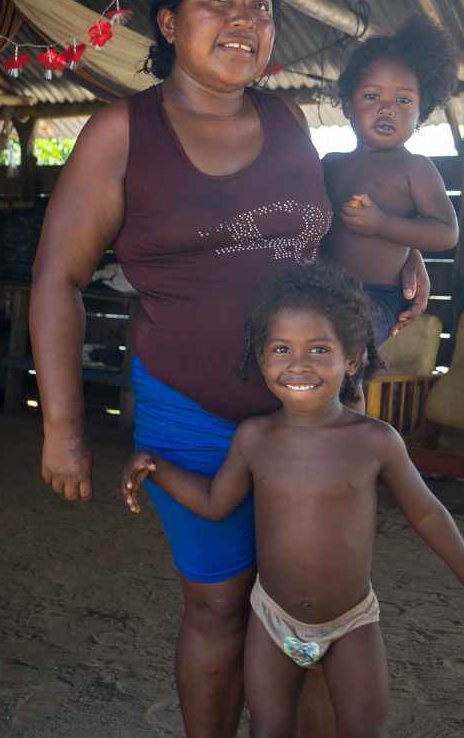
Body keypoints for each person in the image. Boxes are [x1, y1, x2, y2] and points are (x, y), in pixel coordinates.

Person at [29, 0, 430, 735]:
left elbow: (328, 226)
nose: (243, 18)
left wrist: (404, 250)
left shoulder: (283, 118)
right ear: (171, 22)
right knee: (217, 606)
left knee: (312, 605)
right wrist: (63, 429)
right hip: (191, 405)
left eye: (261, 8)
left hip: (306, 414)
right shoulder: (123, 130)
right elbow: (56, 278)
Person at [122, 263, 464, 738]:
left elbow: (426, 512)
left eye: (319, 349)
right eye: (281, 349)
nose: (298, 364)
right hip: (271, 620)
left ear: (353, 358)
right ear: (260, 359)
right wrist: (157, 468)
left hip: (352, 624)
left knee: (365, 730)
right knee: (270, 727)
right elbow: (215, 503)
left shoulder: (375, 441)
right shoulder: (254, 438)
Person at [323, 15, 458, 346]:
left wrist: (382, 224)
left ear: (421, 112)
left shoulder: (416, 169)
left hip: (376, 298)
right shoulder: (330, 164)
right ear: (347, 106)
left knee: (345, 344)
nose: (387, 109)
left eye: (403, 100)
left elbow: (446, 233)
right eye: (372, 96)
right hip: (319, 289)